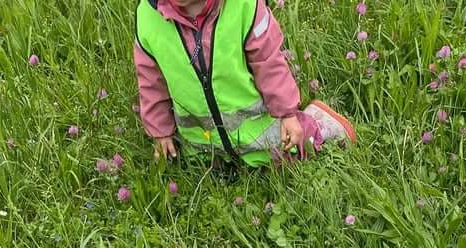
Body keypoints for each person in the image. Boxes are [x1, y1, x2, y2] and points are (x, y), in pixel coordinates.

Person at [134, 0, 356, 166]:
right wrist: (160, 131)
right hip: (202, 140)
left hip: (258, 127)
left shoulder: (244, 5)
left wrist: (287, 113)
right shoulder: (148, 18)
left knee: (292, 150)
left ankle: (317, 123)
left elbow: (269, 62)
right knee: (202, 168)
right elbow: (151, 83)